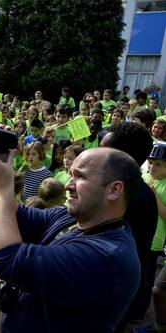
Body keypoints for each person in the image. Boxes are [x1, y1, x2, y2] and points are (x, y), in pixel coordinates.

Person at [0, 142, 142, 332]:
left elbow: (7, 259)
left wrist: (4, 185)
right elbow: (5, 212)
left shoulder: (107, 256)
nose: (67, 185)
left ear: (114, 190)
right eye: (71, 174)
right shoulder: (69, 216)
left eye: (80, 176)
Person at [100, 122, 159, 329]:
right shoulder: (124, 191)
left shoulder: (131, 198)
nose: (96, 156)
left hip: (111, 297)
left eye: (103, 152)